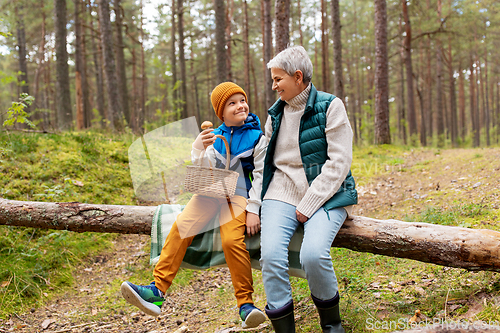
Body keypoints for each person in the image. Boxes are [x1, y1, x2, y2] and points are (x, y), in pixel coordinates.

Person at [121, 82, 268, 329]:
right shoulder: (214, 136)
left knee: (232, 240)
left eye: (242, 100)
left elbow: (262, 176)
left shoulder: (257, 137)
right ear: (221, 112)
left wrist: (254, 209)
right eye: (232, 103)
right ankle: (156, 291)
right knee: (181, 227)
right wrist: (198, 147)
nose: (240, 105)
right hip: (210, 192)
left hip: (239, 196)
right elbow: (203, 170)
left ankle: (246, 305)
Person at [259, 45, 357, 333]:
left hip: (329, 194)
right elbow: (261, 163)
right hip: (280, 192)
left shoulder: (331, 106)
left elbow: (339, 163)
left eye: (278, 79)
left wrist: (309, 203)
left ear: (298, 76)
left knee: (313, 254)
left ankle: (332, 326)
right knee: (271, 256)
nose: (274, 85)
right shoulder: (275, 115)